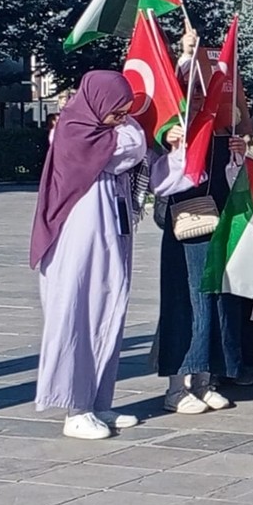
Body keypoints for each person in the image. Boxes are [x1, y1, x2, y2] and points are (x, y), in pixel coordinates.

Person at [30, 71, 190, 439]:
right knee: (78, 313)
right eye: (116, 112)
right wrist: (138, 130)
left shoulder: (112, 133)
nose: (122, 119)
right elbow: (128, 148)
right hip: (78, 236)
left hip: (111, 231)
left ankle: (98, 401)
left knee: (108, 310)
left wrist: (177, 149)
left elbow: (152, 170)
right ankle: (75, 408)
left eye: (124, 113)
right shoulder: (74, 129)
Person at [157, 41, 250, 413]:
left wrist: (237, 156)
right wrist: (172, 145)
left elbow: (231, 179)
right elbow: (159, 182)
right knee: (189, 300)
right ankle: (178, 383)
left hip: (219, 224)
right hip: (186, 228)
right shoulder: (172, 133)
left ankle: (208, 376)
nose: (196, 104)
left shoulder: (216, 133)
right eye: (190, 96)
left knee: (217, 299)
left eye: (201, 97)